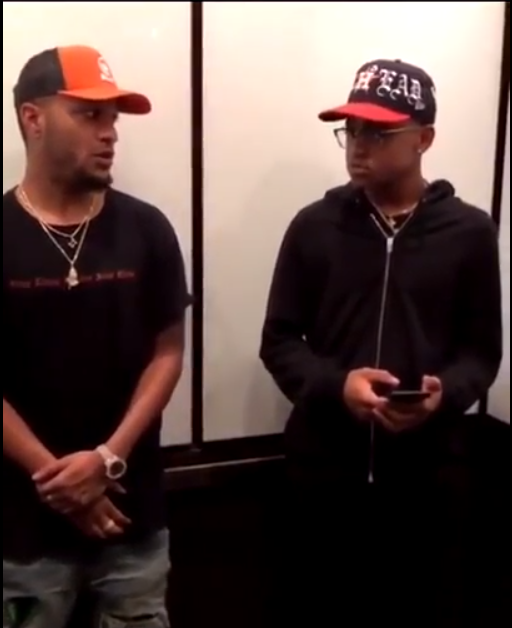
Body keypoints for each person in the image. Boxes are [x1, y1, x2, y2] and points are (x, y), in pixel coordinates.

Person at [260, 59, 502, 627]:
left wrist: (445, 395)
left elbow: (482, 352)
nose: (359, 145)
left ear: (424, 139)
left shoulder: (470, 233)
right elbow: (279, 340)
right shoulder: (314, 226)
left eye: (379, 132)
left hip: (428, 485)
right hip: (324, 482)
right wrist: (336, 386)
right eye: (352, 130)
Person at [3, 45, 190, 628]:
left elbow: (168, 352)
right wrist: (60, 482)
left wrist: (108, 460)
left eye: (112, 118)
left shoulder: (147, 228)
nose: (109, 133)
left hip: (133, 522)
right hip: (22, 534)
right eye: (89, 115)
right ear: (33, 118)